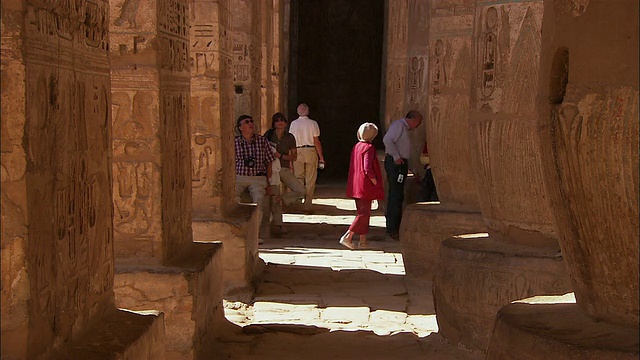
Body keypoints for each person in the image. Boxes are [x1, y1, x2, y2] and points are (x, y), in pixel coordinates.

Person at [340, 123, 384, 250]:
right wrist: (374, 180)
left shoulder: (357, 146)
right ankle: (348, 235)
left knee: (362, 211)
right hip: (365, 184)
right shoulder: (369, 148)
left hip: (356, 183)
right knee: (364, 213)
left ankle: (363, 240)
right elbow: (367, 167)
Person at [382, 110, 423, 240]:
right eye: (419, 122)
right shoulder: (398, 125)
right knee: (396, 195)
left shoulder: (404, 128)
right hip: (396, 164)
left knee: (398, 195)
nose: (418, 126)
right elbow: (387, 139)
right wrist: (396, 157)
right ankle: (393, 228)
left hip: (400, 163)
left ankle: (394, 226)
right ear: (414, 119)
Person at [234, 115, 276, 242]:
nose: (250, 123)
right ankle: (237, 232)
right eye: (247, 122)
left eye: (251, 121)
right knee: (232, 199)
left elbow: (269, 161)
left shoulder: (262, 141)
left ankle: (254, 235)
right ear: (240, 127)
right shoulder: (234, 142)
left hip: (258, 178)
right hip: (239, 177)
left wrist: (268, 181)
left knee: (259, 202)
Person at [263, 112, 306, 235]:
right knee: (273, 197)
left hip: (284, 168)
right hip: (271, 168)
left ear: (286, 123)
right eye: (277, 120)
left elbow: (294, 156)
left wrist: (281, 155)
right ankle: (278, 225)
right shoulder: (269, 135)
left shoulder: (290, 137)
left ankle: (282, 198)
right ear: (273, 123)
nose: (280, 122)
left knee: (301, 190)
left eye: (282, 120)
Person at [288, 103, 325, 213]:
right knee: (310, 179)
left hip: (297, 151)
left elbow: (291, 141)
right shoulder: (313, 123)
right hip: (310, 151)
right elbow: (316, 141)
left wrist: (291, 157)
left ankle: (298, 203)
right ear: (308, 112)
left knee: (298, 178)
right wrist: (321, 157)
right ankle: (307, 205)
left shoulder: (293, 124)